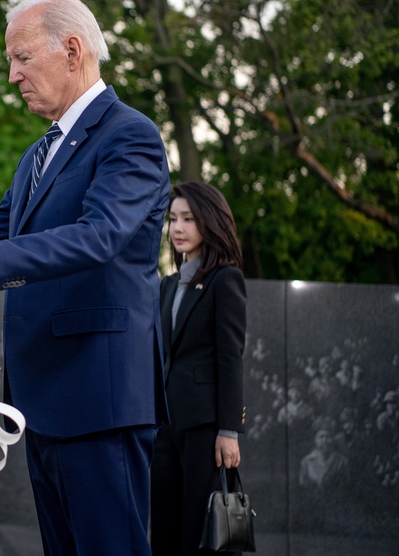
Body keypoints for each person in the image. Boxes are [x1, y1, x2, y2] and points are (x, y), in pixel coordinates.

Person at [0, 0, 169, 555]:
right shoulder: (36, 156)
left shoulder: (131, 135)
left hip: (98, 398)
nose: (12, 76)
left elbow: (100, 235)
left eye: (22, 58)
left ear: (73, 50)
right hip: (44, 398)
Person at [151, 180, 247, 556]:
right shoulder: (168, 285)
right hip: (165, 426)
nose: (177, 228)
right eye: (173, 219)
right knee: (164, 526)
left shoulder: (226, 280)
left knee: (199, 529)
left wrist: (229, 429)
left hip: (205, 427)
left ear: (209, 222)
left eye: (188, 219)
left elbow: (230, 356)